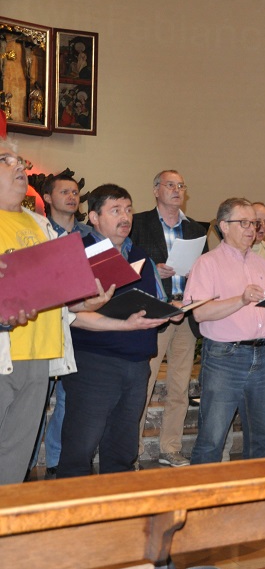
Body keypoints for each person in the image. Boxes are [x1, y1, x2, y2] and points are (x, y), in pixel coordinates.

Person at [0, 140, 115, 484]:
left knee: (16, 455)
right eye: (5, 160)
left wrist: (85, 301)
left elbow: (56, 294)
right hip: (3, 350)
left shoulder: (42, 225)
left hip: (39, 354)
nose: (20, 166)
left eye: (20, 160)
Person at [58, 184, 175, 478]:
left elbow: (157, 299)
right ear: (94, 217)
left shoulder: (140, 255)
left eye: (128, 209)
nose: (125, 217)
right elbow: (67, 314)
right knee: (81, 445)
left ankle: (119, 503)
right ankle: (72, 504)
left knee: (123, 449)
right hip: (94, 362)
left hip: (137, 363)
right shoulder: (78, 253)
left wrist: (170, 310)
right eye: (115, 210)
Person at [185, 198, 265, 464]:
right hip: (225, 357)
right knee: (212, 438)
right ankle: (203, 491)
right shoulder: (207, 263)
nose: (252, 229)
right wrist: (241, 299)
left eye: (255, 223)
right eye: (244, 223)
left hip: (263, 356)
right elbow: (200, 313)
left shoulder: (264, 266)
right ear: (224, 226)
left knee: (260, 436)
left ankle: (256, 489)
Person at [131, 170, 208, 468]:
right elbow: (126, 262)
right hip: (155, 312)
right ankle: (132, 449)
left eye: (181, 186)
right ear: (156, 190)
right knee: (144, 383)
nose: (177, 190)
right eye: (170, 185)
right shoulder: (138, 223)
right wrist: (153, 267)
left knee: (179, 386)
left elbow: (207, 268)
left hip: (185, 313)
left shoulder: (196, 229)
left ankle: (170, 447)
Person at [28, 171, 91, 478]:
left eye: (75, 192)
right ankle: (25, 464)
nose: (72, 196)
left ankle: (55, 461)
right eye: (64, 192)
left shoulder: (90, 235)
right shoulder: (36, 231)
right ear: (47, 198)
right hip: (44, 326)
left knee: (68, 400)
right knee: (35, 402)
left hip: (81, 328)